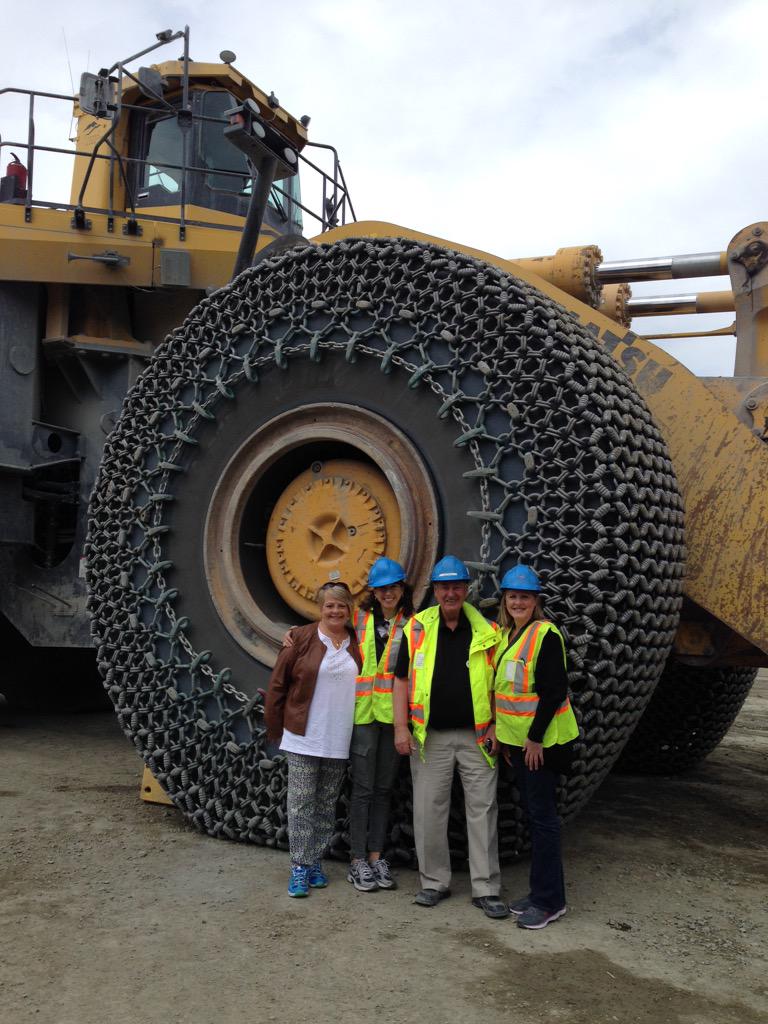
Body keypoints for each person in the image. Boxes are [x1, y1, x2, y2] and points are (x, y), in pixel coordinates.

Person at [392, 555, 509, 919]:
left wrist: (495, 727)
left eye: (457, 586)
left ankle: (486, 889)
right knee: (428, 811)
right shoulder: (417, 628)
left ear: (466, 589)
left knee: (483, 810)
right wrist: (400, 728)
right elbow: (401, 680)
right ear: (436, 591)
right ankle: (433, 883)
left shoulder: (488, 631)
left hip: (477, 738)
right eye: (444, 587)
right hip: (431, 739)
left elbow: (499, 684)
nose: (450, 593)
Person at [493, 564, 579, 929]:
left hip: (542, 745)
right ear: (505, 600)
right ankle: (540, 892)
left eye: (524, 597)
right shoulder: (508, 634)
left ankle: (549, 902)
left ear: (535, 601)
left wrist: (534, 738)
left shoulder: (545, 635)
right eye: (512, 596)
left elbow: (554, 691)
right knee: (535, 817)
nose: (518, 602)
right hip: (519, 744)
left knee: (544, 821)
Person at [265, 582, 362, 898]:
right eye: (329, 606)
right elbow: (278, 685)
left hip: (338, 737)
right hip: (303, 735)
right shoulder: (301, 638)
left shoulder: (357, 643)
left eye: (341, 606)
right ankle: (299, 867)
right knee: (300, 804)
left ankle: (315, 861)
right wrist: (276, 728)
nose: (335, 611)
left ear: (349, 610)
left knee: (325, 804)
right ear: (319, 609)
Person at [344, 556, 413, 892]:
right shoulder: (358, 619)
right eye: (383, 589)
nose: (388, 593)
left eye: (394, 587)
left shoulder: (413, 624)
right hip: (364, 716)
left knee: (383, 790)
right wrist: (293, 636)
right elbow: (323, 626)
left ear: (403, 589)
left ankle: (375, 856)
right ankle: (357, 860)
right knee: (363, 790)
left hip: (394, 718)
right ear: (373, 591)